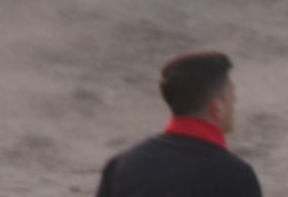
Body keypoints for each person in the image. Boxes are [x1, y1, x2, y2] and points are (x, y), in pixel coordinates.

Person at [95, 51, 262, 197]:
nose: (236, 101)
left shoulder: (121, 164)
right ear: (216, 108)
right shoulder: (234, 175)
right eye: (232, 95)